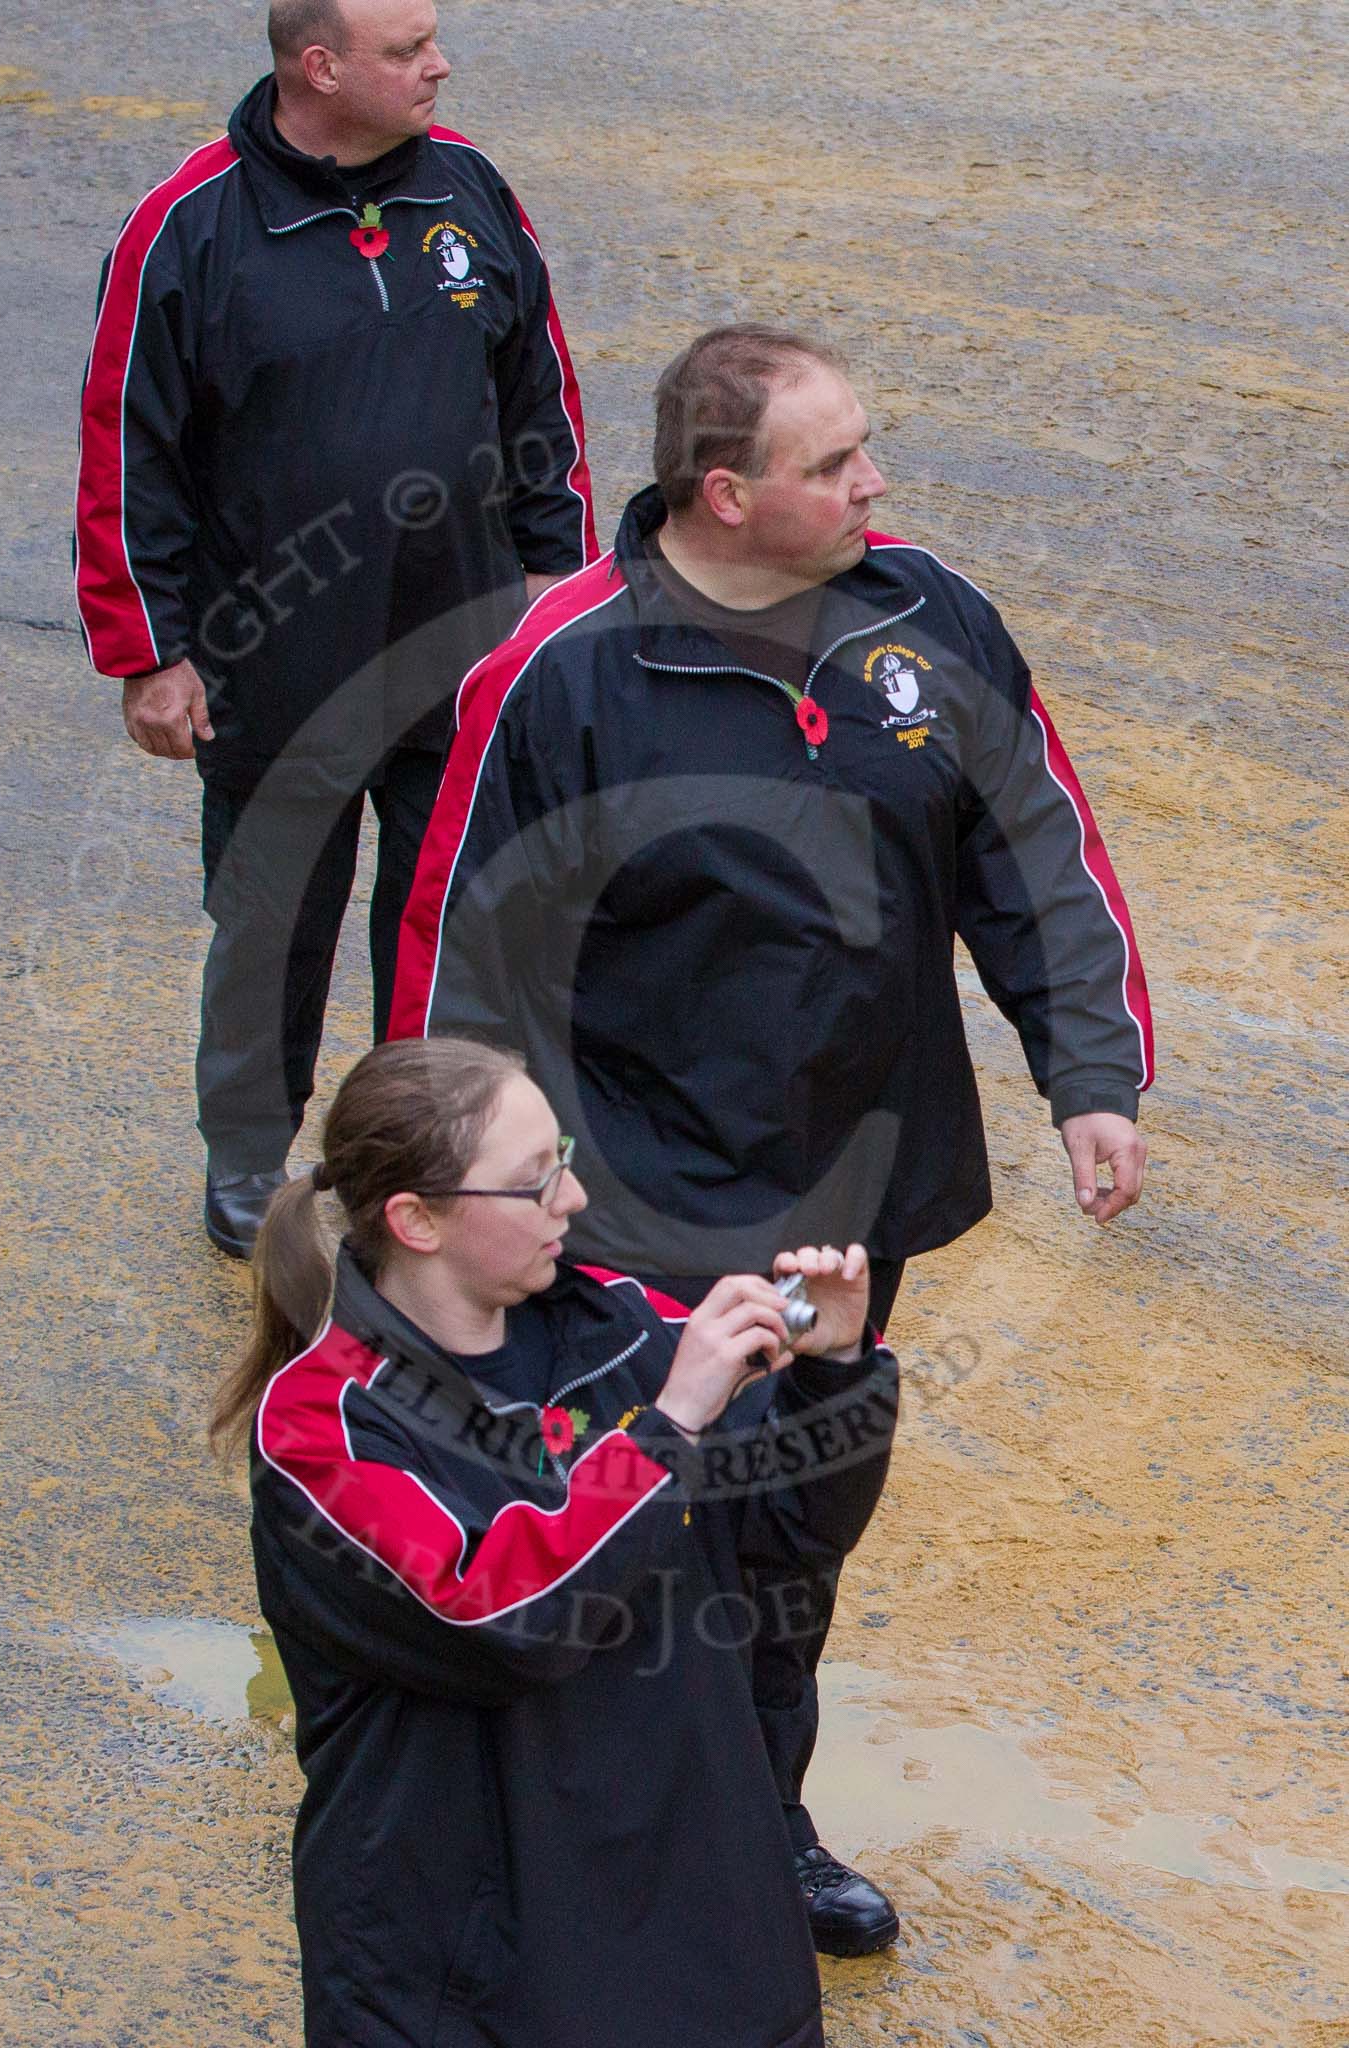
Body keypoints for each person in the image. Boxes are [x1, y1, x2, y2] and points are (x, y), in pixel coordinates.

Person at [386, 324, 1155, 1951]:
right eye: (834, 463)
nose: (876, 482)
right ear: (724, 494)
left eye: (866, 448)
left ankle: (754, 1818)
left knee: (795, 1532)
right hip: (628, 1198)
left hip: (851, 1191)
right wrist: (463, 1203)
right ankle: (586, 1847)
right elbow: (461, 948)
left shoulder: (928, 617)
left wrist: (1088, 1068)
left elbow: (1032, 854)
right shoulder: (564, 671)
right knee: (653, 1525)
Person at [210, 1035, 899, 2047]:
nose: (572, 1201)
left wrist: (832, 1368)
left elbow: (787, 1529)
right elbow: (493, 1612)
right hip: (477, 1963)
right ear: (417, 1218)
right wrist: (666, 1429)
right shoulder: (322, 1422)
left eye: (563, 1159)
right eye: (535, 1182)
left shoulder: (618, 1319)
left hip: (693, 1906)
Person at [74, 0, 595, 1258]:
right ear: (322, 66)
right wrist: (149, 652)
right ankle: (250, 1165)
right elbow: (122, 450)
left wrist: (555, 579)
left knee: (456, 930)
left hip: (462, 657)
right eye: (409, 49)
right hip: (278, 666)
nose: (440, 64)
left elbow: (542, 387)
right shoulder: (186, 228)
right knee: (271, 937)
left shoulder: (471, 190)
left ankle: (432, 1166)